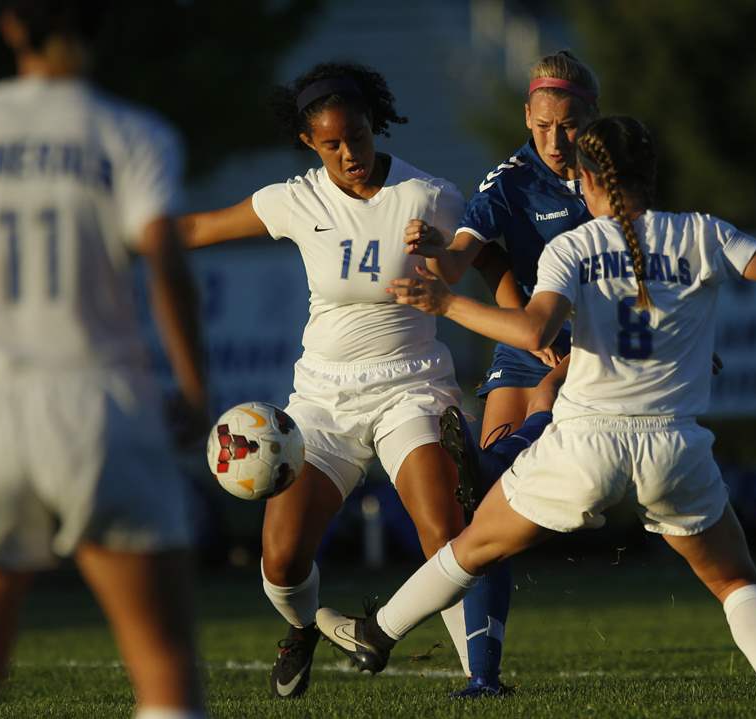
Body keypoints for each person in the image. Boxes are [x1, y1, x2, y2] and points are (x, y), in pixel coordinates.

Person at [316, 114, 756, 699]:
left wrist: (445, 305)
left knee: (473, 545)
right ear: (652, 174)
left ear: (585, 180)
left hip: (585, 445)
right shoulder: (702, 233)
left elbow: (533, 332)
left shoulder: (574, 245)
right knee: (734, 577)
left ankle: (377, 634)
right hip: (673, 448)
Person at [0, 2, 209, 718]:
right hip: (97, 399)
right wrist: (191, 382)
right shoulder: (132, 132)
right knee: (164, 666)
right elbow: (165, 259)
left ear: (11, 25)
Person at [176, 62, 472, 699]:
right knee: (280, 561)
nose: (349, 154)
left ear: (375, 126)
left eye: (358, 137)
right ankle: (303, 627)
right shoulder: (296, 198)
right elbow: (196, 228)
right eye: (332, 144)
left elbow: (472, 261)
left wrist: (447, 258)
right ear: (309, 143)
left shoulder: (429, 195)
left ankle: (481, 678)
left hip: (410, 388)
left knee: (443, 533)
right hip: (323, 402)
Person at [403, 49, 601, 697]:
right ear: (526, 116)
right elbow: (462, 259)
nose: (553, 139)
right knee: (481, 516)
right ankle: (483, 678)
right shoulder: (509, 180)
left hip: (597, 348)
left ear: (590, 118)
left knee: (501, 475)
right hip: (526, 344)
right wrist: (435, 255)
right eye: (541, 125)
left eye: (567, 125)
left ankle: (495, 456)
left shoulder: (616, 174)